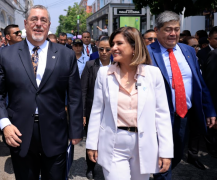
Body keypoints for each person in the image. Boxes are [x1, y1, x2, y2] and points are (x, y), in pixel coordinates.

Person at [0, 5, 83, 180]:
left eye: (43, 20)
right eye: (34, 19)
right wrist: (4, 124)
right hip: (18, 132)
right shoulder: (6, 55)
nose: (38, 24)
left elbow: (75, 95)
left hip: (55, 132)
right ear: (25, 23)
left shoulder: (65, 55)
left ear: (49, 25)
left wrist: (76, 130)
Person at [86, 26, 173, 180]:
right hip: (114, 144)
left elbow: (162, 115)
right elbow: (97, 110)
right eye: (113, 44)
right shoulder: (104, 74)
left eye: (119, 43)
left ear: (134, 47)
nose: (113, 48)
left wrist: (166, 151)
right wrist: (92, 143)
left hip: (144, 144)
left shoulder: (153, 74)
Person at [147, 11, 216, 180]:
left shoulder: (188, 51)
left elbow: (199, 83)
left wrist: (210, 110)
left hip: (184, 115)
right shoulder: (147, 54)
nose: (173, 33)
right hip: (159, 118)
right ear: (157, 30)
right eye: (168, 29)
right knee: (163, 161)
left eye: (176, 29)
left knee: (176, 155)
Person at [81, 36, 111, 179]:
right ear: (97, 49)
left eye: (107, 49)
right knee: (92, 140)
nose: (104, 52)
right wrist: (83, 114)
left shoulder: (118, 65)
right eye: (101, 49)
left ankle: (109, 167)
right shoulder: (90, 65)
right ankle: (90, 167)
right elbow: (83, 90)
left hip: (112, 111)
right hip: (92, 109)